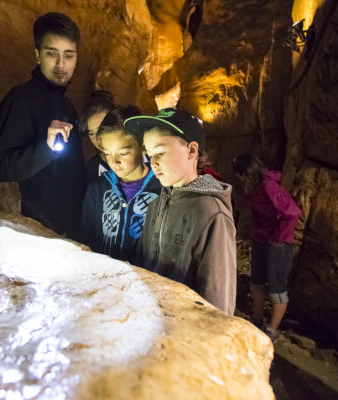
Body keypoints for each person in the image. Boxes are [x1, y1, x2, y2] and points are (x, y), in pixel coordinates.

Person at [125, 108, 237, 315]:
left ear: (192, 151)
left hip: (186, 333)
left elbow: (218, 300)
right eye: (149, 155)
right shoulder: (155, 206)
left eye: (160, 152)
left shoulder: (211, 213)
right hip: (150, 322)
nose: (153, 163)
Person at [0, 13, 86, 239]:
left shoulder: (65, 101)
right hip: (41, 231)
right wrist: (46, 149)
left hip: (73, 228)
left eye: (68, 55)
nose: (61, 65)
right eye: (52, 54)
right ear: (38, 54)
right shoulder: (22, 100)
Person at [232, 153, 301, 342]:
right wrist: (259, 233)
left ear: (246, 172)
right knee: (257, 283)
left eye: (240, 174)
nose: (239, 179)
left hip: (277, 243)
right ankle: (257, 320)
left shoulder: (267, 186)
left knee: (276, 288)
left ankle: (272, 330)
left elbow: (293, 212)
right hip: (262, 239)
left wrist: (278, 238)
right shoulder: (252, 188)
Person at [80, 106, 161, 263]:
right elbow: (86, 240)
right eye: (107, 153)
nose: (114, 161)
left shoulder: (161, 190)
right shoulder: (97, 189)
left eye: (123, 153)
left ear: (143, 147)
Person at [79, 90, 115, 183]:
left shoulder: (144, 157)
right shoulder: (93, 168)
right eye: (91, 133)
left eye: (101, 129)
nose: (97, 138)